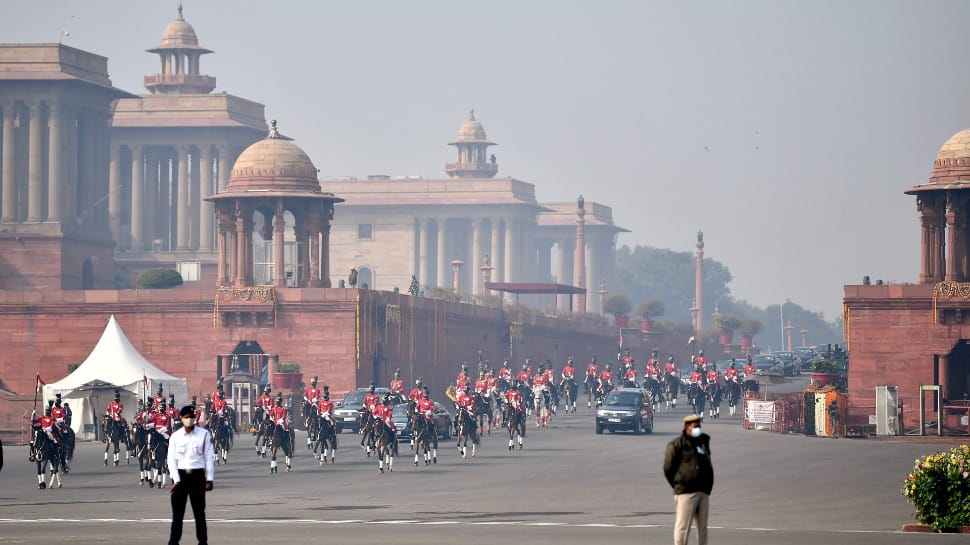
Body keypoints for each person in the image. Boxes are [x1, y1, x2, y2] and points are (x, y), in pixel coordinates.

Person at [167, 405, 215, 545]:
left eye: (191, 417)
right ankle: (173, 542)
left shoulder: (204, 435)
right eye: (186, 417)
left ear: (194, 418)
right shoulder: (175, 437)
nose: (189, 420)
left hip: (197, 476)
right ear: (182, 419)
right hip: (181, 477)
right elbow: (171, 460)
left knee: (199, 514)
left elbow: (209, 457)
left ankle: (202, 542)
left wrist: (210, 479)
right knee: (177, 515)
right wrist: (176, 480)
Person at [663, 414, 714, 545]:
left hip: (703, 491)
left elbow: (708, 463)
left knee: (702, 527)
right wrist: (678, 484)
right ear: (687, 427)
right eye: (695, 426)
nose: (698, 429)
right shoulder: (677, 445)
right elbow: (668, 468)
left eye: (699, 426)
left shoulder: (703, 443)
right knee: (683, 527)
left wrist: (708, 486)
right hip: (686, 491)